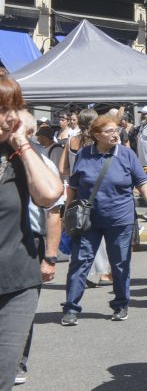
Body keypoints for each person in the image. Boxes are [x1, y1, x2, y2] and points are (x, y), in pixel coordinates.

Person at [62, 114, 147, 325]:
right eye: (109, 131)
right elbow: (75, 187)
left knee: (120, 263)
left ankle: (121, 304)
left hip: (120, 218)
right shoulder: (84, 155)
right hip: (88, 220)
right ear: (96, 135)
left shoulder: (126, 154)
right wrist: (67, 210)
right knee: (80, 262)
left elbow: (142, 180)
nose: (115, 134)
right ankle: (71, 308)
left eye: (116, 130)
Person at [0, 72, 63, 388]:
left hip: (16, 284)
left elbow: (50, 196)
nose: (5, 117)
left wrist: (22, 142)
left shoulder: (21, 156)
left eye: (10, 108)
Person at [13, 108, 64, 387]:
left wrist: (50, 258)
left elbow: (53, 213)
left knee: (21, 306)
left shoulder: (41, 160)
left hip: (29, 240)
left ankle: (18, 360)